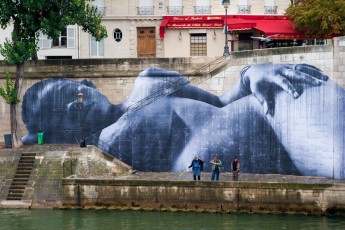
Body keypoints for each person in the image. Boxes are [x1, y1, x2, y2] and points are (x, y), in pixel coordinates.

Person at [21, 63, 345, 179]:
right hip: (257, 157)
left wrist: (250, 73)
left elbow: (221, 101)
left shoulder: (150, 82)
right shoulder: (93, 148)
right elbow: (43, 153)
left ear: (88, 86)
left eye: (71, 91)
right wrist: (38, 140)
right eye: (58, 109)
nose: (72, 103)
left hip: (275, 112)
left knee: (340, 165)